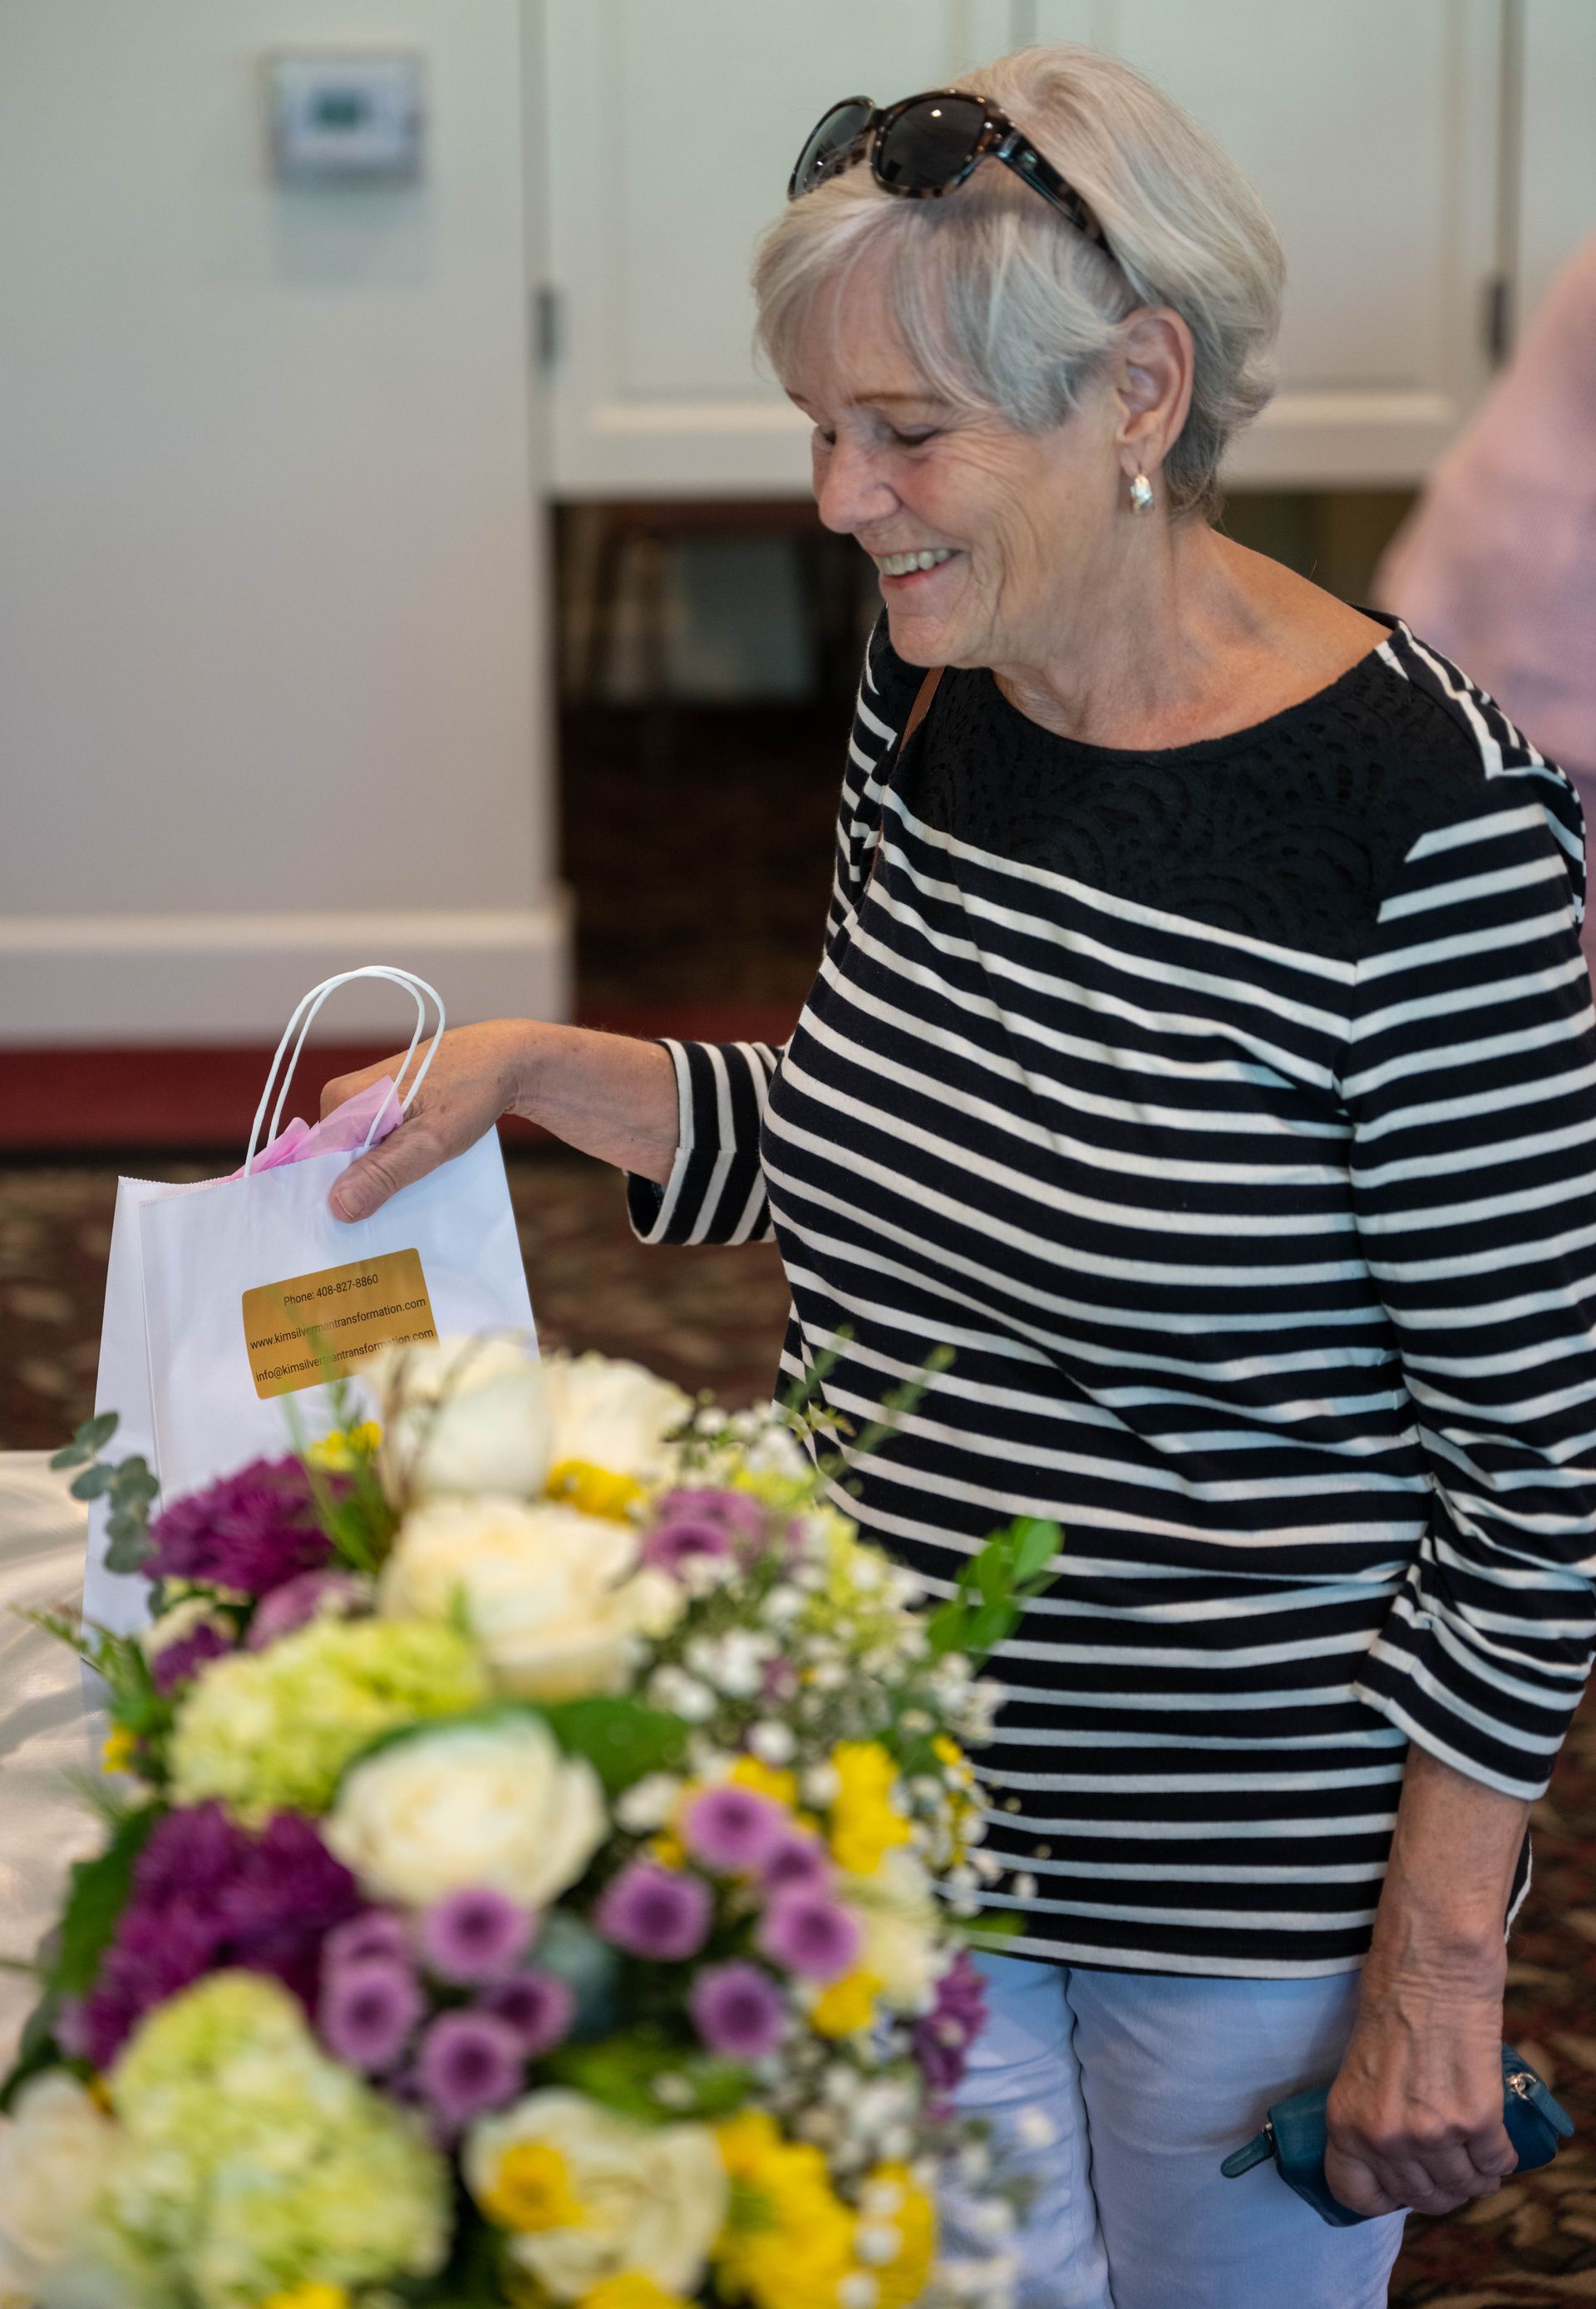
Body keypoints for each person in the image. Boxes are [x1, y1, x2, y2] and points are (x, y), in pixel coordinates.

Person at [321, 45, 1596, 2309]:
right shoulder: (944, 693)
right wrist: (537, 1073)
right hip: (888, 1798)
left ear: (1138, 389)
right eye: (819, 426)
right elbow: (895, 1140)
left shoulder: (1431, 839)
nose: (840, 496)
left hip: (1238, 1871)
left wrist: (1440, 1963)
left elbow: (1542, 1475)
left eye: (906, 432)